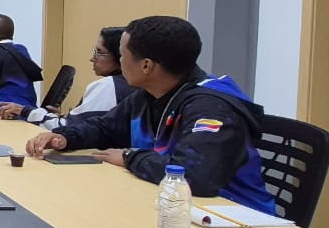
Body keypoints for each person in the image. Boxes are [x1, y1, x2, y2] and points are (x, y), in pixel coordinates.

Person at [25, 16, 275, 213]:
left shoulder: (211, 107)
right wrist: (65, 137)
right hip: (174, 208)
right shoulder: (149, 94)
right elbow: (105, 127)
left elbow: (194, 176)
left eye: (122, 55)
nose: (120, 62)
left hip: (234, 219)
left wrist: (129, 156)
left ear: (146, 65)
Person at [0, 26, 134, 128]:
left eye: (99, 52)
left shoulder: (109, 86)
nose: (92, 58)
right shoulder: (132, 87)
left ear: (120, 56)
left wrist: (24, 111)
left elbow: (69, 129)